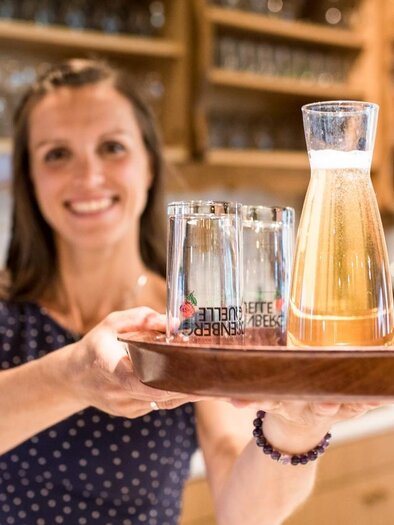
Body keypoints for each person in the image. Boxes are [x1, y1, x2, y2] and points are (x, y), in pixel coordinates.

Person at [0, 58, 382, 525]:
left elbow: (243, 511)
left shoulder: (190, 323)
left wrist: (298, 425)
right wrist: (71, 375)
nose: (90, 176)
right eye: (57, 153)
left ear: (148, 164)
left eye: (112, 147)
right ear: (29, 178)